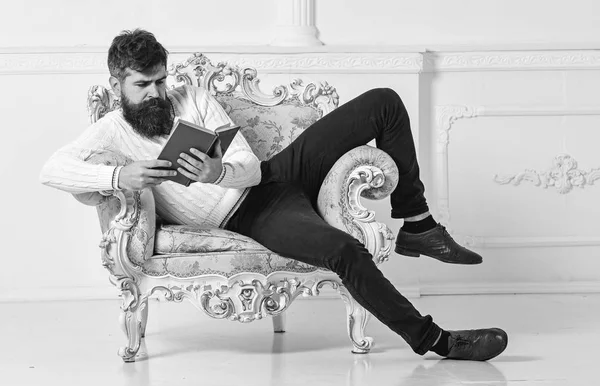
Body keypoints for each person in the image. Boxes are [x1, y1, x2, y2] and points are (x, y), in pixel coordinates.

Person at [40, 29, 508, 361]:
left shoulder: (190, 98)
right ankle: (437, 341)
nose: (157, 92)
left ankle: (419, 225)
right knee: (343, 249)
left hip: (270, 176)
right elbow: (52, 169)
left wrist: (215, 169)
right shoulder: (109, 132)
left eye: (160, 79)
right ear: (116, 85)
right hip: (251, 215)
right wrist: (121, 178)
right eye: (142, 85)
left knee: (384, 101)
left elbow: (247, 165)